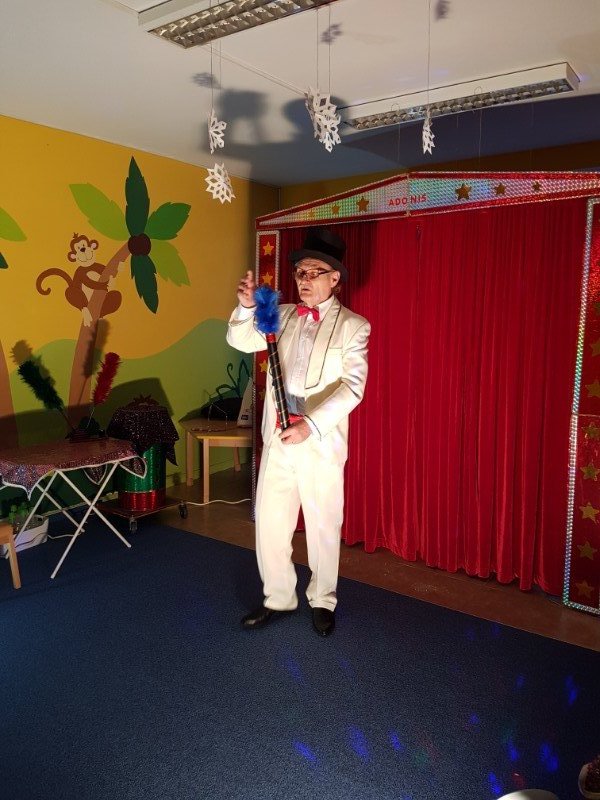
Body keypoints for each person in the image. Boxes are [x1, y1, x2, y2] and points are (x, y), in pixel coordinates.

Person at [227, 226, 370, 636]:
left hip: (318, 442)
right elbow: (241, 341)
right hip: (278, 439)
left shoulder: (354, 326)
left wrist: (310, 425)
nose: (304, 280)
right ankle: (278, 597)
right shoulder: (283, 314)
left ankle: (323, 599)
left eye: (313, 273)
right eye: (299, 273)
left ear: (334, 278)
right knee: (271, 523)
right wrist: (245, 308)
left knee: (323, 526)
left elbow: (353, 387)